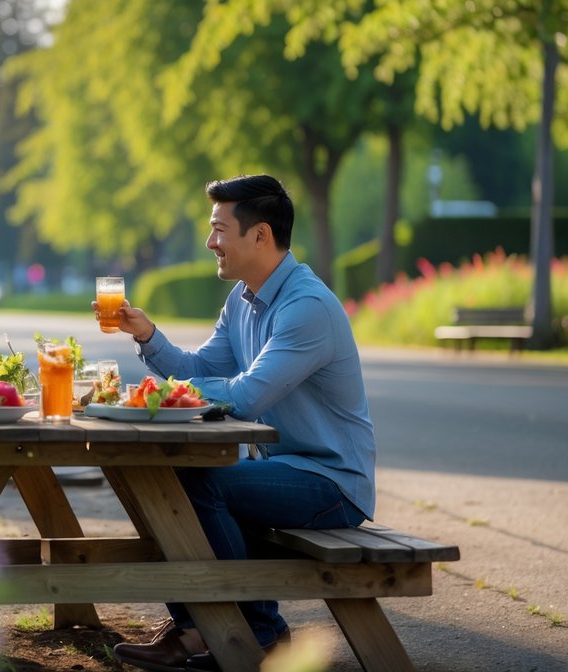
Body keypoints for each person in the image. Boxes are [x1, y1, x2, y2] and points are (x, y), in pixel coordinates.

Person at [103, 174, 376, 672]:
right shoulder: (243, 300)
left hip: (332, 481)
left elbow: (247, 396)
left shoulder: (306, 307)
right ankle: (196, 629)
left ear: (260, 235)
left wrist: (161, 395)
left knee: (200, 482)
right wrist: (148, 336)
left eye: (219, 230)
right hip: (284, 468)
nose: (210, 243)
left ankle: (254, 634)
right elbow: (202, 372)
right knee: (152, 472)